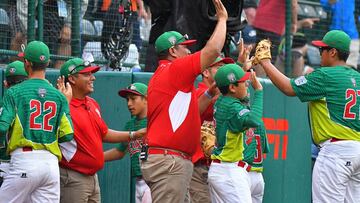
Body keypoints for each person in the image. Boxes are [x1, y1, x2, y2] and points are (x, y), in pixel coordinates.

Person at [256, 30, 360, 202]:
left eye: (322, 50)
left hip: (336, 152)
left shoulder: (325, 75)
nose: (319, 54)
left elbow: (288, 88)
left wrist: (266, 63)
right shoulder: (358, 77)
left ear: (333, 52)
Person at [140, 0, 228, 202]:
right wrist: (222, 20)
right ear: (172, 51)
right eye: (184, 47)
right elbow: (212, 51)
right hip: (169, 161)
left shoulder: (167, 77)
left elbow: (189, 112)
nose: (189, 51)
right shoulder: (174, 69)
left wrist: (208, 94)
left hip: (170, 160)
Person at [58, 58, 146, 203]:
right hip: (72, 178)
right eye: (87, 74)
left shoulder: (92, 103)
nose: (92, 77)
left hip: (93, 178)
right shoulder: (62, 106)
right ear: (72, 79)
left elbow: (103, 133)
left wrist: (134, 134)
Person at [0, 41, 74, 202]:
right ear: (47, 63)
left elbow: (2, 127)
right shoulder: (59, 96)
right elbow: (68, 135)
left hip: (24, 160)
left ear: (27, 63)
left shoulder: (14, 92)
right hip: (51, 165)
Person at [208, 64, 263, 203]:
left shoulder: (222, 100)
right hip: (229, 171)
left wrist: (242, 67)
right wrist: (259, 91)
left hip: (220, 169)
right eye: (243, 82)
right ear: (232, 88)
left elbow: (242, 100)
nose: (247, 84)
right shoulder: (232, 106)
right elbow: (254, 120)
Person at [190, 57, 234, 203]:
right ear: (206, 72)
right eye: (219, 68)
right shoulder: (199, 93)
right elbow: (211, 102)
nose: (224, 71)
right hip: (199, 166)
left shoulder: (225, 98)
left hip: (217, 166)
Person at [104, 82, 151, 203]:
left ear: (146, 99)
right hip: (138, 181)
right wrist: (96, 157)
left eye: (133, 99)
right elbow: (119, 152)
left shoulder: (154, 121)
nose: (129, 103)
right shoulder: (130, 124)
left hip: (153, 180)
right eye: (127, 100)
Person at [0, 61, 28, 187]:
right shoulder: (36, 105)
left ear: (5, 84)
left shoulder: (3, 106)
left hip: (3, 166)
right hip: (28, 165)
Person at [320, 0, 359, 69]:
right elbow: (325, 7)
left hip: (352, 35)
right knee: (332, 65)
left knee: (351, 67)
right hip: (334, 35)